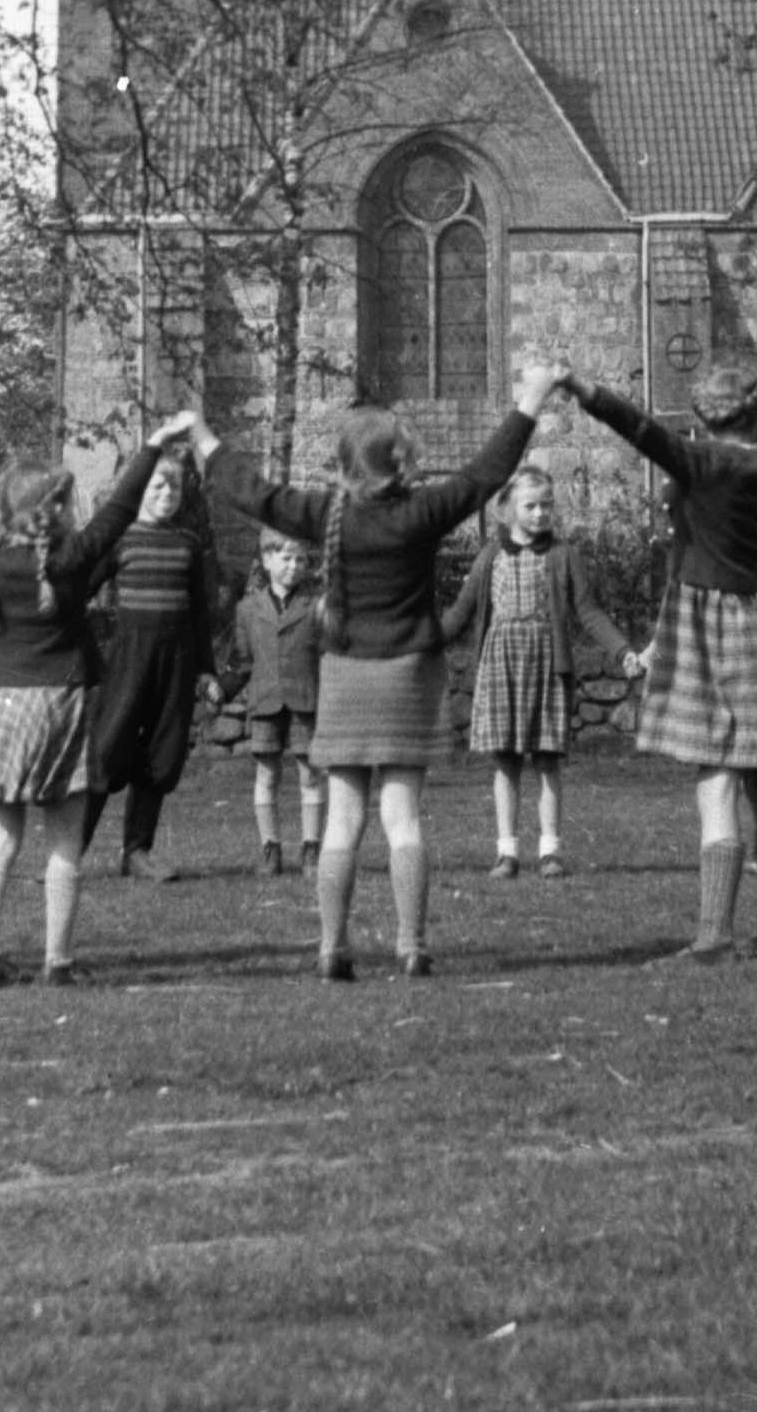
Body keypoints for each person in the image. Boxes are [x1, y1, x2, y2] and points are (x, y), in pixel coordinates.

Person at [237, 355, 557, 981]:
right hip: (409, 677)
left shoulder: (325, 517)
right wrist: (532, 398)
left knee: (341, 821)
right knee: (403, 819)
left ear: (344, 465)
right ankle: (411, 946)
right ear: (401, 461)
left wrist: (202, 444)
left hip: (347, 680)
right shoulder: (422, 514)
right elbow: (487, 472)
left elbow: (255, 494)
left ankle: (332, 945)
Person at [558, 360, 757, 961]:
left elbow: (638, 428)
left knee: (716, 788)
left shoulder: (696, 461)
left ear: (701, 419)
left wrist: (583, 389)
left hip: (709, 633)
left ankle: (714, 935)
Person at [0, 430, 182, 983]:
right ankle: (57, 963)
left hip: (4, 705)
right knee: (63, 841)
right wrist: (152, 447)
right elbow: (119, 508)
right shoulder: (74, 556)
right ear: (55, 508)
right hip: (63, 702)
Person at [441, 466, 632, 879]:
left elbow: (589, 611)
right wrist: (420, 640)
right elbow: (460, 612)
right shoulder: (489, 557)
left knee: (547, 761)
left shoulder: (564, 555)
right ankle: (506, 852)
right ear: (507, 509)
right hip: (500, 665)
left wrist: (622, 651)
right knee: (506, 762)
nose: (542, 513)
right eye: (531, 505)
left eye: (547, 505)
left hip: (548, 664)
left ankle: (550, 851)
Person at [80, 439, 222, 879]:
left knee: (162, 754)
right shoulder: (119, 539)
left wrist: (205, 669)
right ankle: (71, 852)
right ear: (138, 488)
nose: (165, 496)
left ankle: (137, 850)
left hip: (176, 665)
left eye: (173, 490)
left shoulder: (187, 543)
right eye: (157, 487)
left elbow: (200, 613)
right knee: (107, 750)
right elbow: (77, 593)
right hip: (128, 664)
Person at [224, 530, 322, 874]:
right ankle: (270, 847)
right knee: (267, 774)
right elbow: (242, 661)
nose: (294, 566)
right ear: (266, 560)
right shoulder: (248, 609)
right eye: (286, 558)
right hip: (266, 703)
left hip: (306, 702)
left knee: (310, 775)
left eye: (300, 560)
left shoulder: (316, 604)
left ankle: (311, 848)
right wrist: (221, 689)